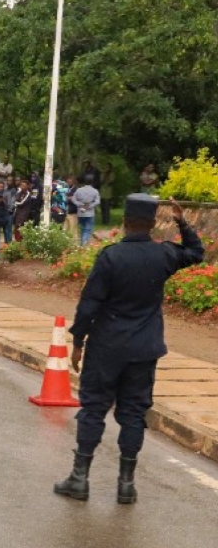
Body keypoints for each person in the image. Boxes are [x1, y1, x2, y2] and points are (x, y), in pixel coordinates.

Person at [54, 196, 204, 505]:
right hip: (144, 348)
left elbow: (89, 304)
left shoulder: (111, 257)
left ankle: (80, 479)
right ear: (152, 224)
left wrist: (78, 343)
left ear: (124, 223)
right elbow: (196, 253)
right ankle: (126, 485)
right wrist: (182, 222)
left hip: (106, 346)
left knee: (94, 409)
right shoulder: (163, 255)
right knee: (134, 414)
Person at [72, 179, 101, 246]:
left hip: (80, 212)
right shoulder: (95, 191)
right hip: (90, 213)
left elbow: (73, 199)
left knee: (82, 229)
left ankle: (82, 243)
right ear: (92, 182)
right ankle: (83, 245)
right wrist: (90, 206)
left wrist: (79, 204)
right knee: (87, 230)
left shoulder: (79, 190)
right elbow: (97, 201)